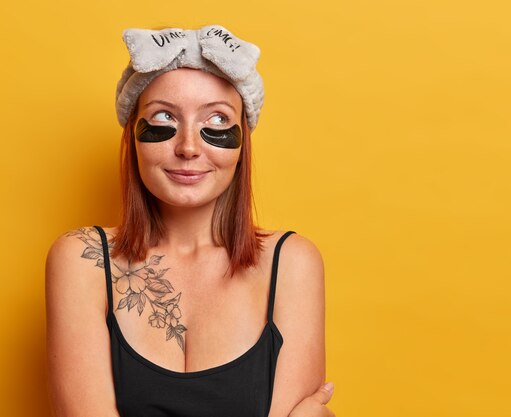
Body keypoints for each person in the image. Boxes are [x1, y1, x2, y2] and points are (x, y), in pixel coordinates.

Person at [45, 24, 335, 417]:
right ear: (133, 133)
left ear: (241, 143)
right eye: (164, 116)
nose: (188, 147)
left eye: (215, 120)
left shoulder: (291, 263)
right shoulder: (82, 260)